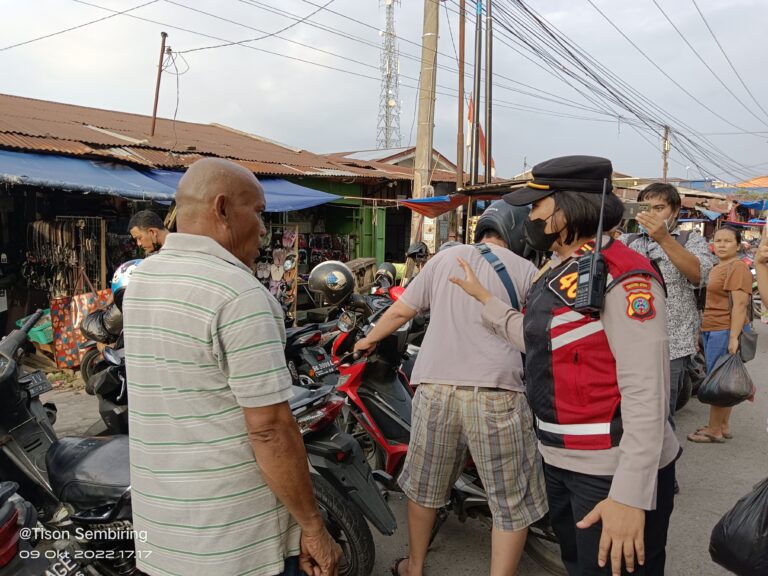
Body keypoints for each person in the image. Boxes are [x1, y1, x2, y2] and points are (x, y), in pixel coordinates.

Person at [450, 156, 680, 576]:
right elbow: (548, 343)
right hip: (561, 461)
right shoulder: (559, 268)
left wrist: (630, 494)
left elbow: (647, 391)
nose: (529, 217)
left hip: (610, 472)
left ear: (566, 209)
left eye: (537, 207)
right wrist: (486, 301)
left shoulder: (625, 278)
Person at [123, 158, 341, 576]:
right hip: (235, 546)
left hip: (164, 533)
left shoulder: (144, 279)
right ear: (222, 209)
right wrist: (313, 527)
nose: (264, 228)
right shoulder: (239, 295)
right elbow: (268, 429)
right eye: (258, 212)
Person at [355, 200, 548, 576]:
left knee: (424, 488)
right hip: (497, 393)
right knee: (510, 501)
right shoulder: (528, 271)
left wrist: (367, 341)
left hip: (437, 390)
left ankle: (414, 566)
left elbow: (400, 312)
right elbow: (536, 334)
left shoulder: (445, 259)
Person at [621, 183, 715, 430]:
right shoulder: (626, 240)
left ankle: (662, 466)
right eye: (646, 208)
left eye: (659, 208)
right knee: (626, 414)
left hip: (671, 345)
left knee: (661, 418)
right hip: (627, 343)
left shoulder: (690, 240)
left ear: (674, 211)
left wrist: (663, 239)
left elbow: (699, 274)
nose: (651, 214)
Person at [687, 226, 753, 444]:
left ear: (737, 244)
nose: (722, 245)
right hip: (712, 328)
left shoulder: (737, 267)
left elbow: (740, 305)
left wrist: (733, 337)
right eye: (718, 240)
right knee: (724, 378)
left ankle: (714, 429)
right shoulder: (717, 266)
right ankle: (722, 425)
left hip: (724, 330)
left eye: (727, 241)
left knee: (717, 379)